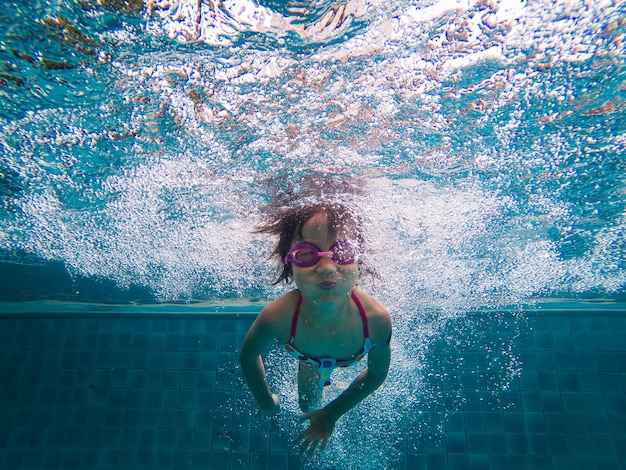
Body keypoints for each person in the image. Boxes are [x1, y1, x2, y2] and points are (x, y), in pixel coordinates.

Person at [239, 201, 392, 455]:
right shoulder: (277, 316)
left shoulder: (376, 318)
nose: (327, 268)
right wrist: (265, 400)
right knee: (306, 405)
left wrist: (331, 414)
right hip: (307, 358)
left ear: (358, 260)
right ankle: (320, 383)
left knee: (320, 409)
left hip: (343, 354)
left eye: (342, 252)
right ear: (289, 264)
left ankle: (332, 392)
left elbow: (376, 374)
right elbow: (247, 356)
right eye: (306, 254)